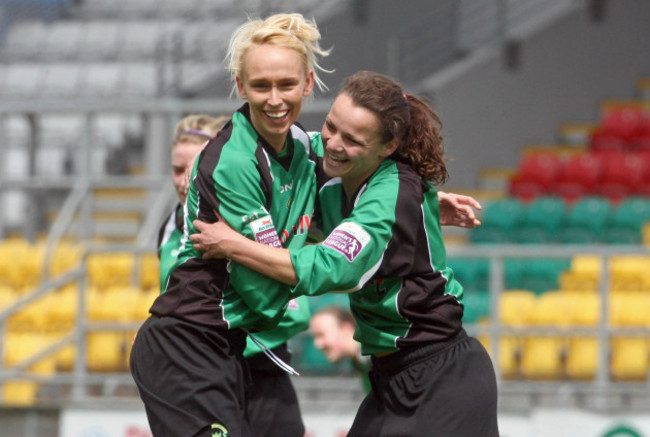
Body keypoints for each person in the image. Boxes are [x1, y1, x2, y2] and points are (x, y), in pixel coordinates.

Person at [190, 71, 499, 436]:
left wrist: (232, 245)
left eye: (351, 139)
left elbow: (329, 267)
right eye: (330, 126)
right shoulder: (337, 175)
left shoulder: (393, 195)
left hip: (441, 379)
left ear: (387, 147)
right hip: (392, 377)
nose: (332, 144)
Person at [130, 13, 331, 437]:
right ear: (241, 86)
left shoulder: (299, 146)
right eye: (261, 86)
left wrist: (418, 199)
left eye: (286, 84)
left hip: (227, 349)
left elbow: (350, 165)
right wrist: (332, 263)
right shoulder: (233, 163)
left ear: (308, 83)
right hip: (185, 347)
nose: (275, 99)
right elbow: (262, 295)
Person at [156, 113, 311, 437]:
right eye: (175, 169)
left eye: (194, 164)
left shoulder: (255, 221)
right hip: (202, 376)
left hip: (265, 378)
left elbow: (294, 312)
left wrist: (239, 327)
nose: (185, 178)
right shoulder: (168, 232)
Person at [309, 305, 372, 393]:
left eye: (321, 335)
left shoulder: (376, 355)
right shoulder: (361, 361)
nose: (317, 344)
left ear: (346, 328)